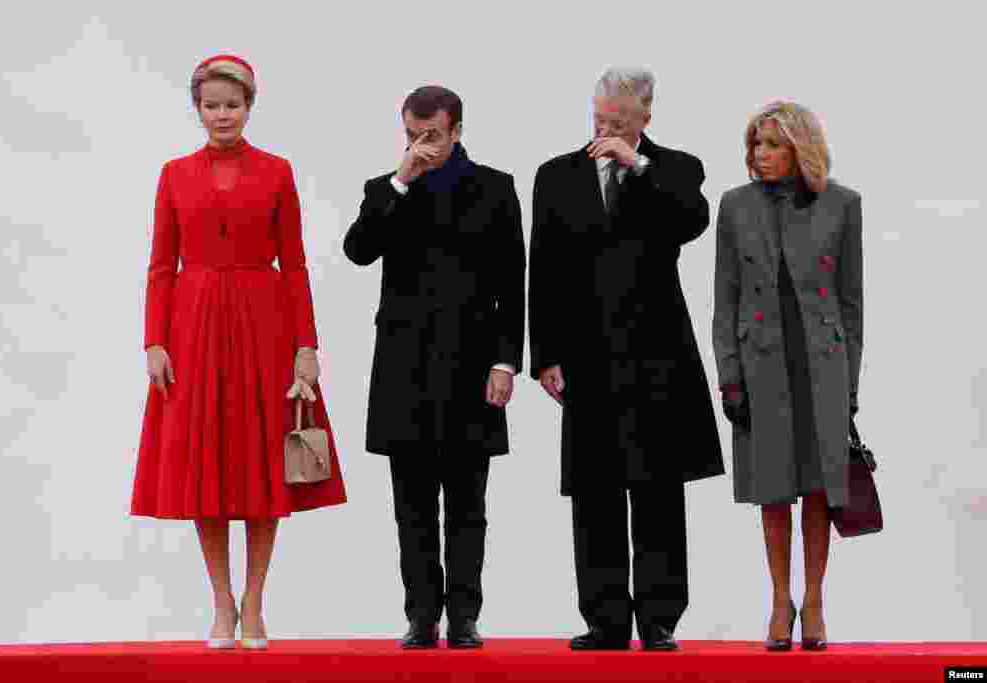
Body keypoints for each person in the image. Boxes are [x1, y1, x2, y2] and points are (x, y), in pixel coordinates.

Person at [130, 55, 347, 650]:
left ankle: (255, 600)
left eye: (233, 104)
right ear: (197, 109)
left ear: (249, 107)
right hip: (193, 324)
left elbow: (297, 264)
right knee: (205, 466)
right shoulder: (173, 173)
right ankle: (221, 602)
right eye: (212, 104)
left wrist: (307, 346)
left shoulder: (277, 171)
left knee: (261, 464)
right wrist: (154, 340)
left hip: (264, 321)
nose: (222, 114)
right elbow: (159, 265)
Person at [528, 67, 724, 651]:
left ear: (644, 119)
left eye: (617, 122)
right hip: (585, 353)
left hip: (657, 352)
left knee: (659, 489)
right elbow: (544, 269)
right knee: (595, 490)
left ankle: (660, 617)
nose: (605, 130)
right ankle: (605, 617)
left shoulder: (676, 170)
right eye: (598, 119)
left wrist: (637, 166)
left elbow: (688, 221)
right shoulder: (556, 175)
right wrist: (546, 356)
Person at [343, 85, 525, 649]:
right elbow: (358, 249)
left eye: (432, 136)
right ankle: (422, 614)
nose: (421, 145)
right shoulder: (388, 189)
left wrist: (505, 362)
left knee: (469, 502)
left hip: (474, 363)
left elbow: (511, 281)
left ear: (457, 131)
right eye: (411, 135)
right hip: (405, 366)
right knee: (412, 503)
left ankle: (465, 615)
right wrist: (401, 180)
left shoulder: (496, 188)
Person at [712, 101, 863, 651]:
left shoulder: (843, 204)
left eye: (772, 144)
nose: (761, 154)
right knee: (771, 490)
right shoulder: (734, 206)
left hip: (821, 364)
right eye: (756, 144)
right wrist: (729, 373)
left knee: (820, 488)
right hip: (760, 365)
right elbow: (723, 299)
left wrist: (849, 385)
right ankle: (780, 601)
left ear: (800, 147)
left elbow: (852, 303)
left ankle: (816, 601)